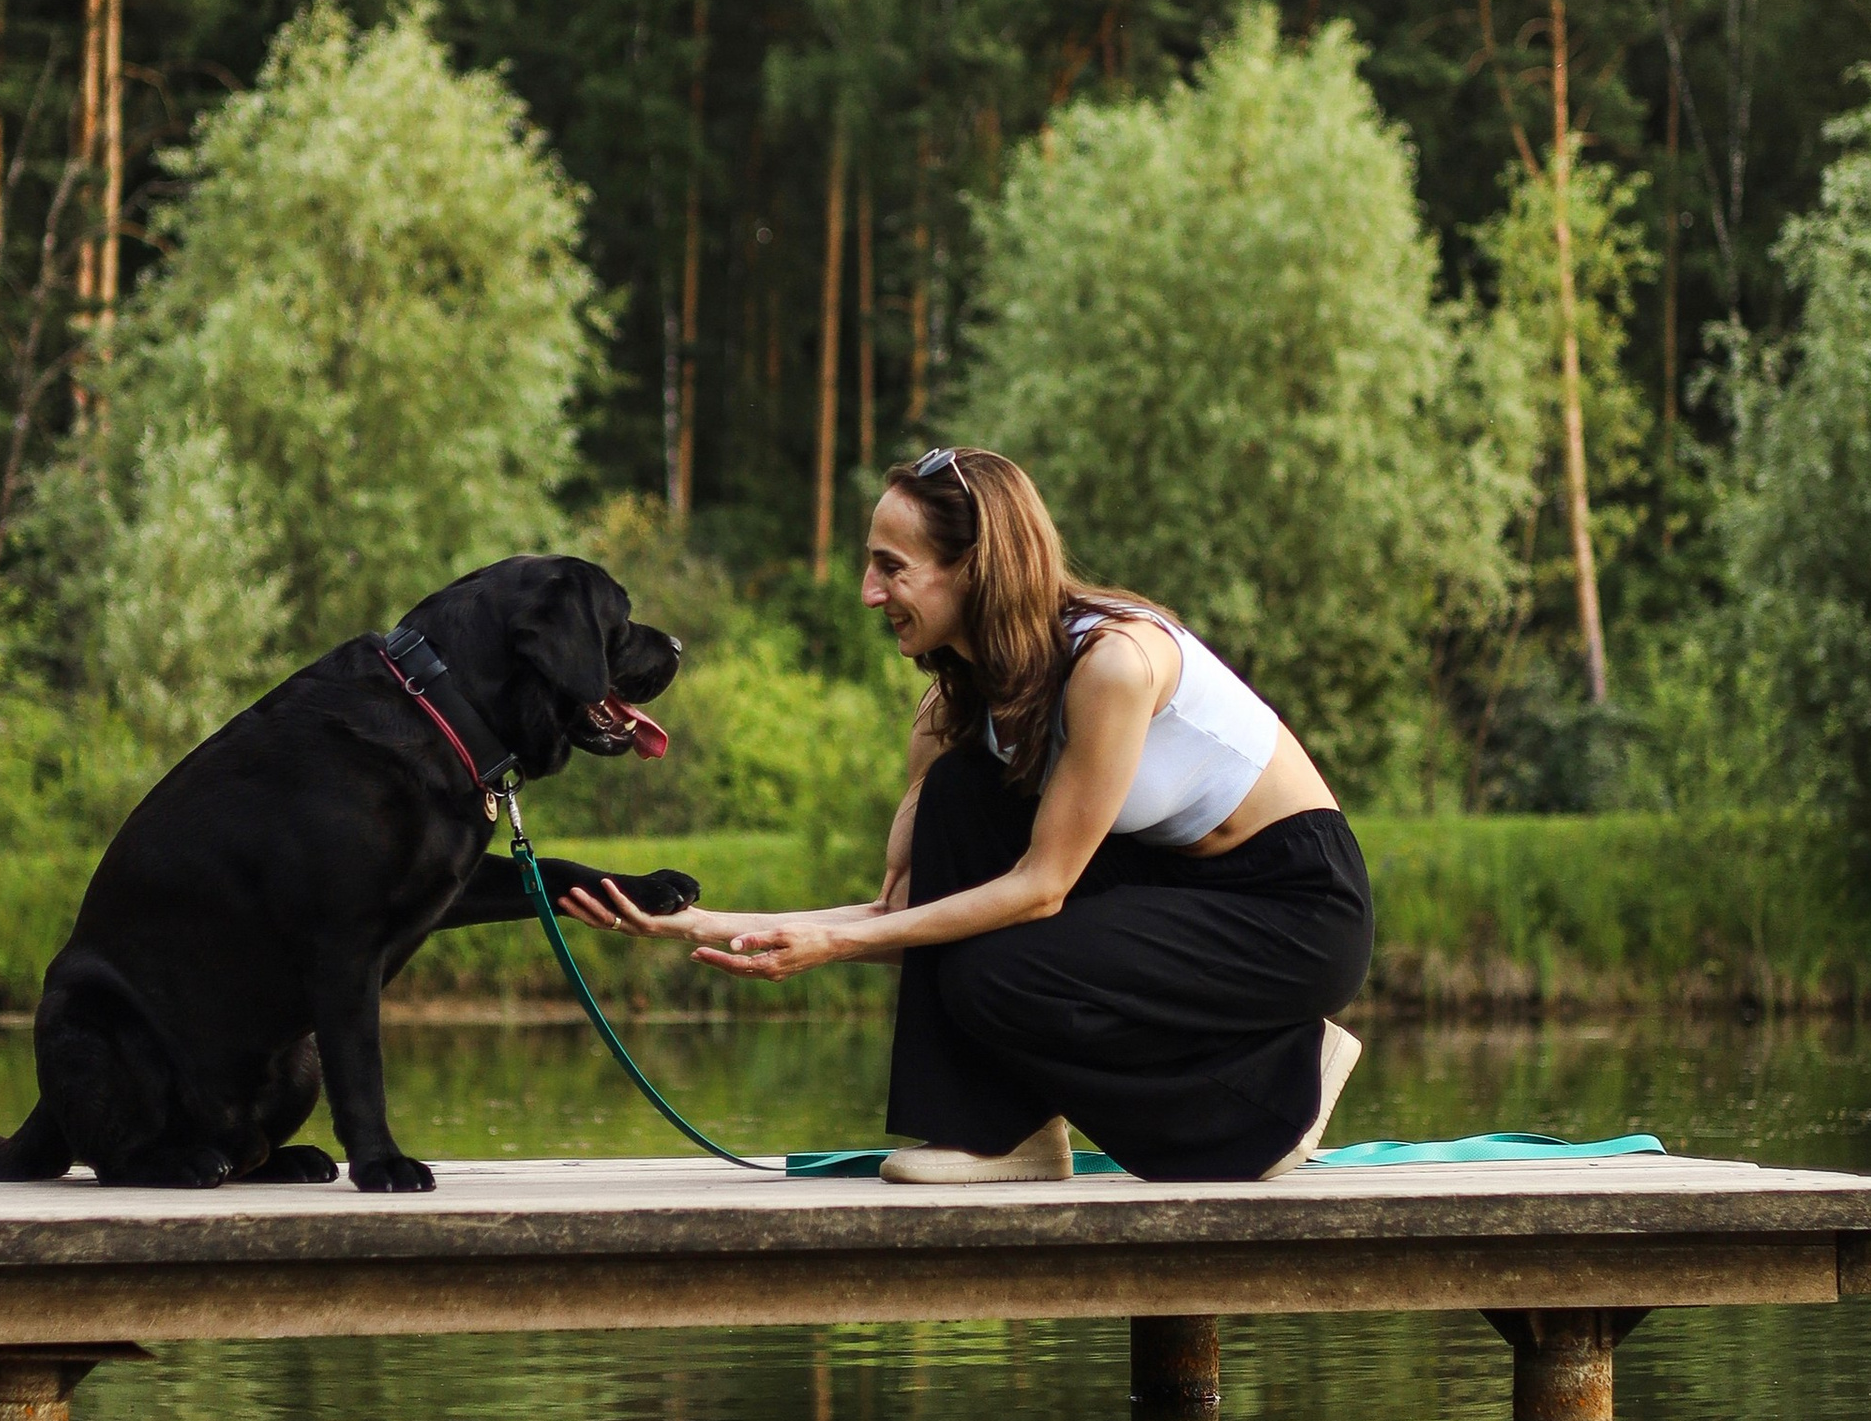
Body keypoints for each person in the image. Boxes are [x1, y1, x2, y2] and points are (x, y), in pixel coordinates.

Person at [568, 446, 1372, 1184]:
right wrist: (699, 924)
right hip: (1177, 887)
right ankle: (1000, 1131)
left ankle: (1275, 1091)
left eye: (891, 567)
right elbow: (905, 918)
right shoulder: (954, 709)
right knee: (959, 817)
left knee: (995, 974)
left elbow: (1042, 889)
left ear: (975, 569)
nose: (868, 592)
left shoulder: (1114, 664)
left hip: (1292, 910)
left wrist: (832, 943)